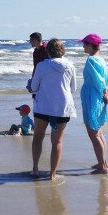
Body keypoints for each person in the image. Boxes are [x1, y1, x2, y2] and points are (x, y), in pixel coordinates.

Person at [29, 38, 77, 180]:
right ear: (62, 50)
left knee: (38, 137)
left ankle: (35, 169)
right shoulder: (70, 65)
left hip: (43, 106)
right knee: (57, 142)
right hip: (62, 108)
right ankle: (52, 173)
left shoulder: (42, 66)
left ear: (47, 51)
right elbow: (73, 88)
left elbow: (34, 87)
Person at [80, 33, 108, 174]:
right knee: (99, 132)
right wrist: (105, 92)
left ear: (91, 45)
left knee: (94, 133)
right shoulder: (101, 59)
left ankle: (102, 165)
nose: (83, 46)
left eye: (85, 44)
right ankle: (103, 162)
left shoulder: (91, 60)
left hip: (92, 97)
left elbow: (100, 80)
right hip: (97, 95)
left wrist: (103, 91)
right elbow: (107, 78)